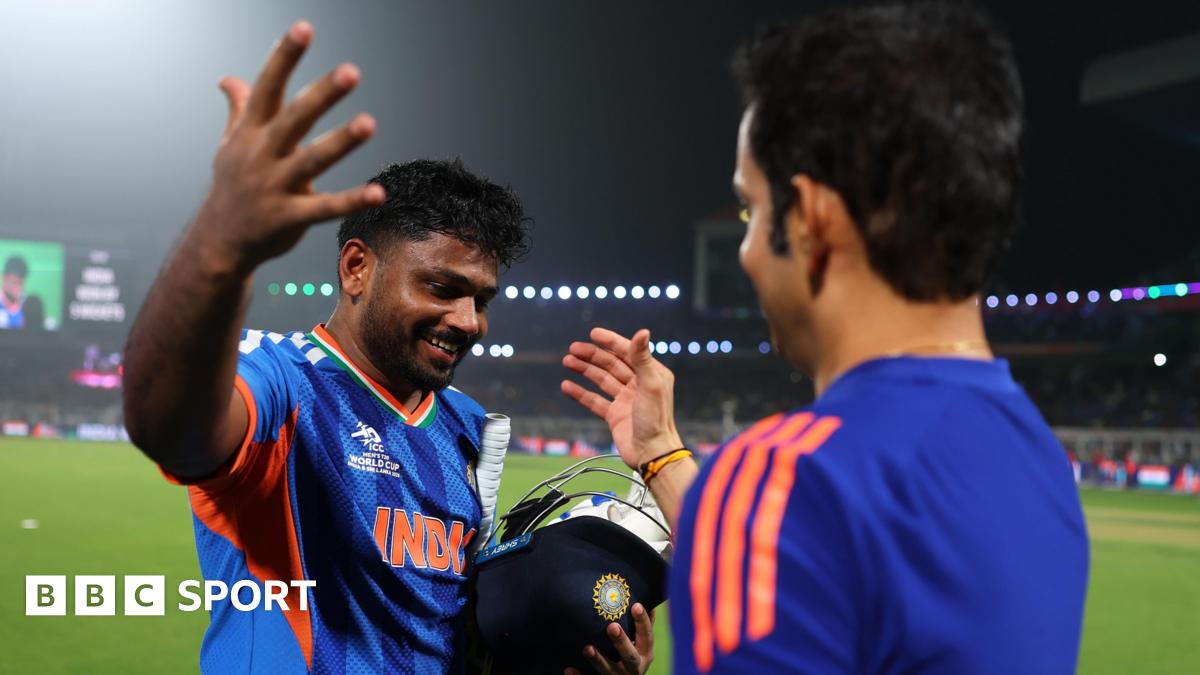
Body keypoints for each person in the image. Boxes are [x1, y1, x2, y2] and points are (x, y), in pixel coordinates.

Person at [561, 2, 1089, 673]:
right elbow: (817, 561)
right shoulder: (1038, 455)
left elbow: (792, 527)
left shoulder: (782, 479)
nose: (747, 250)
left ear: (810, 219)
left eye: (751, 210)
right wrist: (662, 451)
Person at [123, 22, 648, 675]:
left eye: (481, 299)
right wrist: (219, 248)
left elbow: (460, 641)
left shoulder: (470, 428)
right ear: (356, 268)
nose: (469, 321)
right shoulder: (283, 383)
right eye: (442, 287)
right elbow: (167, 426)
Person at [1, 255, 29, 329]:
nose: (18, 288)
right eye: (14, 282)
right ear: (4, 278)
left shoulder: (28, 304)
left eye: (20, 283)